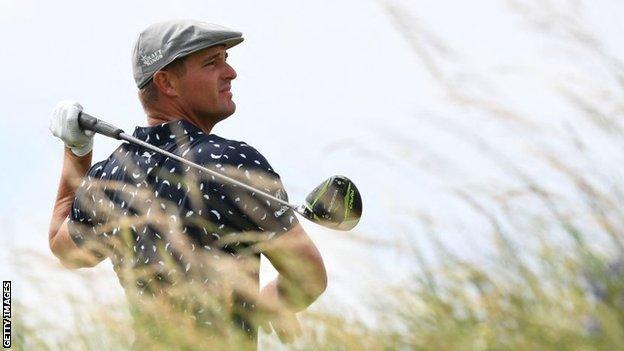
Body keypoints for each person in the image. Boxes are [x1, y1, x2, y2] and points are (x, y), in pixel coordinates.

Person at [48, 19, 327, 350]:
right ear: (166, 82)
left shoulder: (112, 175)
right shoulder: (232, 163)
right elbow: (309, 277)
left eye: (226, 59)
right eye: (212, 63)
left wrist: (77, 150)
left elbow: (63, 247)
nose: (230, 72)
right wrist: (270, 303)